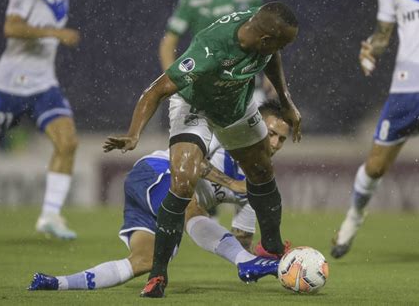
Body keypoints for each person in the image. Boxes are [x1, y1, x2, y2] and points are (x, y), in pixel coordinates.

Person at [103, 2, 301, 297]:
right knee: (183, 180)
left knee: (261, 171)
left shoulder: (263, 34)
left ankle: (271, 247)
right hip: (194, 105)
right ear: (265, 40)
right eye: (281, 44)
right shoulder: (210, 52)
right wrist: (134, 134)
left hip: (235, 104)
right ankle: (157, 276)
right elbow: (156, 90)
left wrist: (286, 103)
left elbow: (272, 59)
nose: (281, 49)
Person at [28, 100, 291, 291]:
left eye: (282, 139)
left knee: (143, 261)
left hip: (153, 201)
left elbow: (239, 243)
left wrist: (271, 264)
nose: (275, 144)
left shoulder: (258, 184)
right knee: (189, 203)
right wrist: (230, 183)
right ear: (255, 126)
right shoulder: (222, 138)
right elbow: (189, 164)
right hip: (154, 172)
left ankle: (54, 283)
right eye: (271, 134)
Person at [331, 0, 419, 269]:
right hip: (407, 85)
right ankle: (355, 215)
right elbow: (383, 35)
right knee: (376, 166)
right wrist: (370, 49)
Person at [0, 0, 80, 239]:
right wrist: (54, 32)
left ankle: (50, 216)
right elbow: (12, 27)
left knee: (68, 143)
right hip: (8, 86)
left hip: (43, 85)